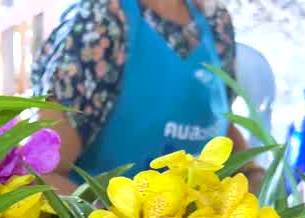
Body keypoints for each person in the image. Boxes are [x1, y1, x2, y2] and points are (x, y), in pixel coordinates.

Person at [30, 0, 260, 192]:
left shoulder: (215, 24)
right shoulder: (100, 23)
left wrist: (255, 175)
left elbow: (219, 122)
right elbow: (39, 174)